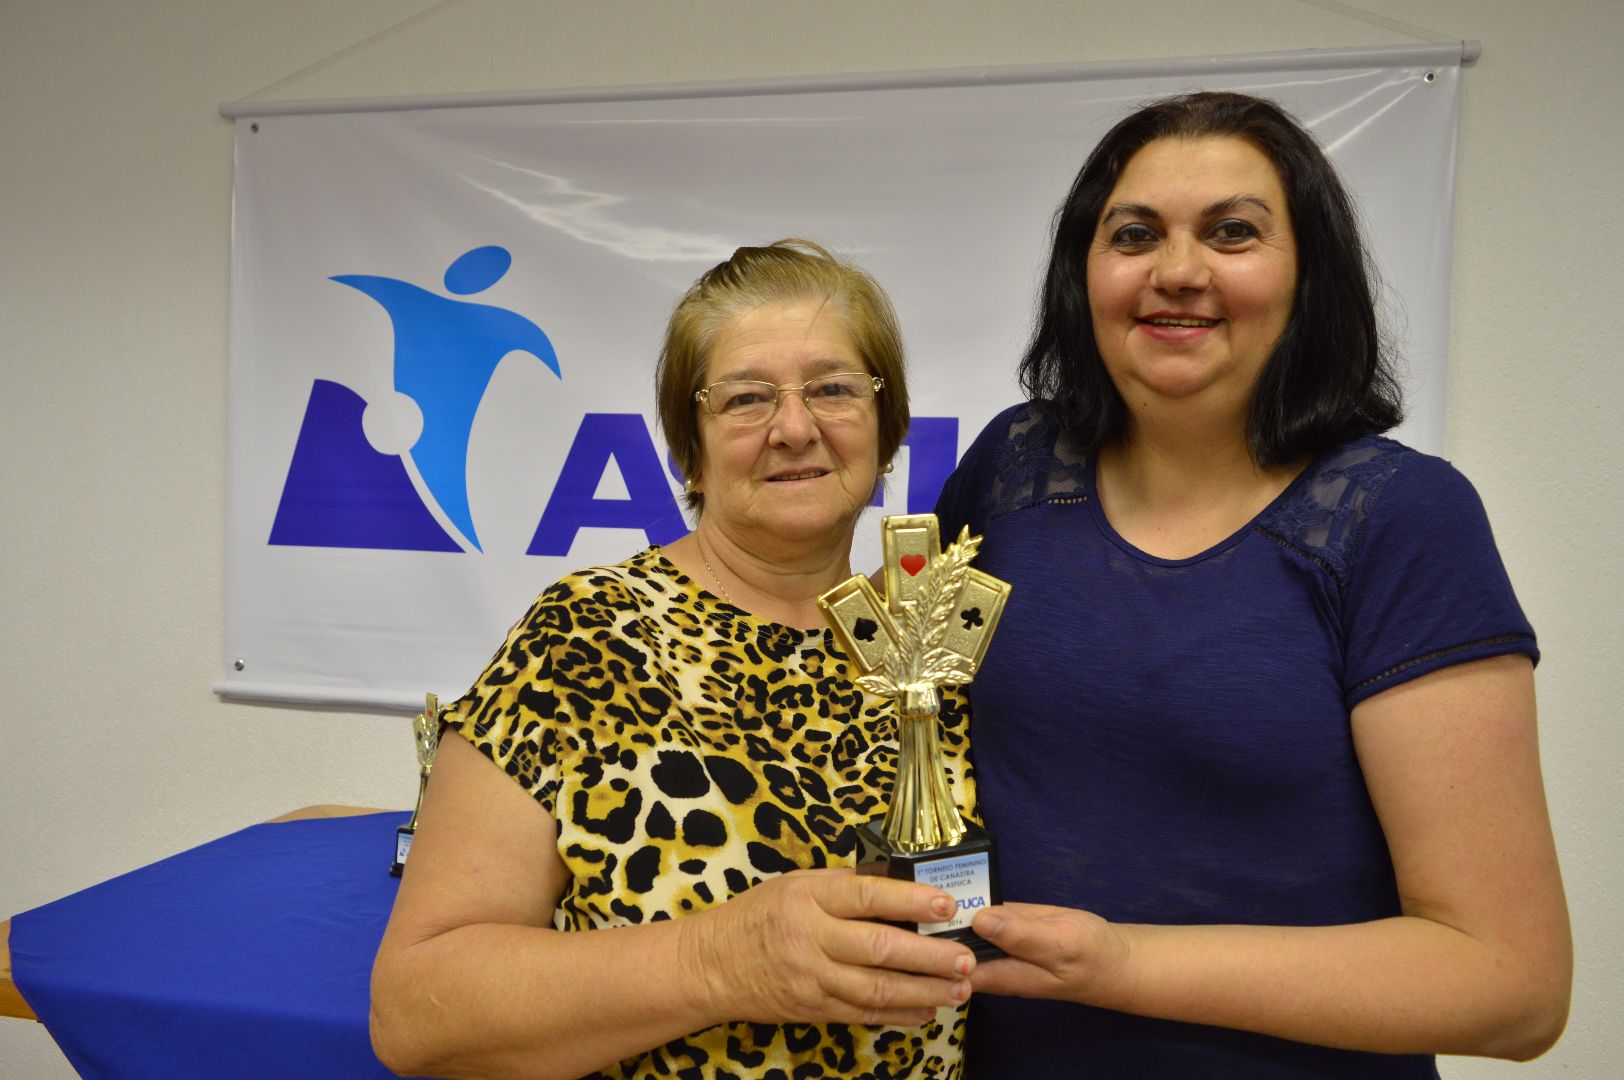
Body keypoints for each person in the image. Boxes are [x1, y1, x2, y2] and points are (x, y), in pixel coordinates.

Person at [933, 92, 1572, 1077]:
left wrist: (1124, 964)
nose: (1177, 271)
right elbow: (896, 741)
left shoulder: (1400, 517)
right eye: (1134, 234)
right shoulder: (1009, 469)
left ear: (1307, 275)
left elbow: (1510, 986)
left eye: (1232, 232)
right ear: (1081, 274)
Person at [370, 239, 980, 1080]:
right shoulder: (585, 638)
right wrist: (721, 962)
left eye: (834, 389)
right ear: (689, 449)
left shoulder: (932, 641)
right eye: (746, 399)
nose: (794, 428)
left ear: (888, 426)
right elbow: (413, 1011)